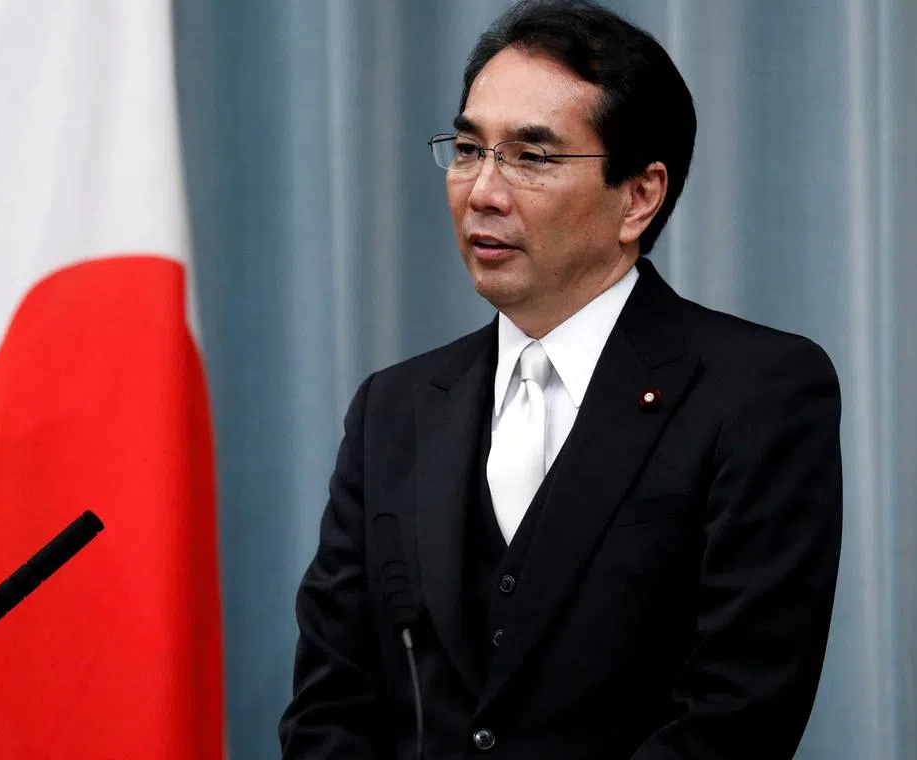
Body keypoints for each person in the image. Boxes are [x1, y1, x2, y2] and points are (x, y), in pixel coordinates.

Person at [279, 1, 842, 758]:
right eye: (470, 148)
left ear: (638, 196)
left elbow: (738, 712)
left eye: (531, 157)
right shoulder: (396, 408)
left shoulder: (757, 392)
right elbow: (330, 703)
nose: (482, 190)